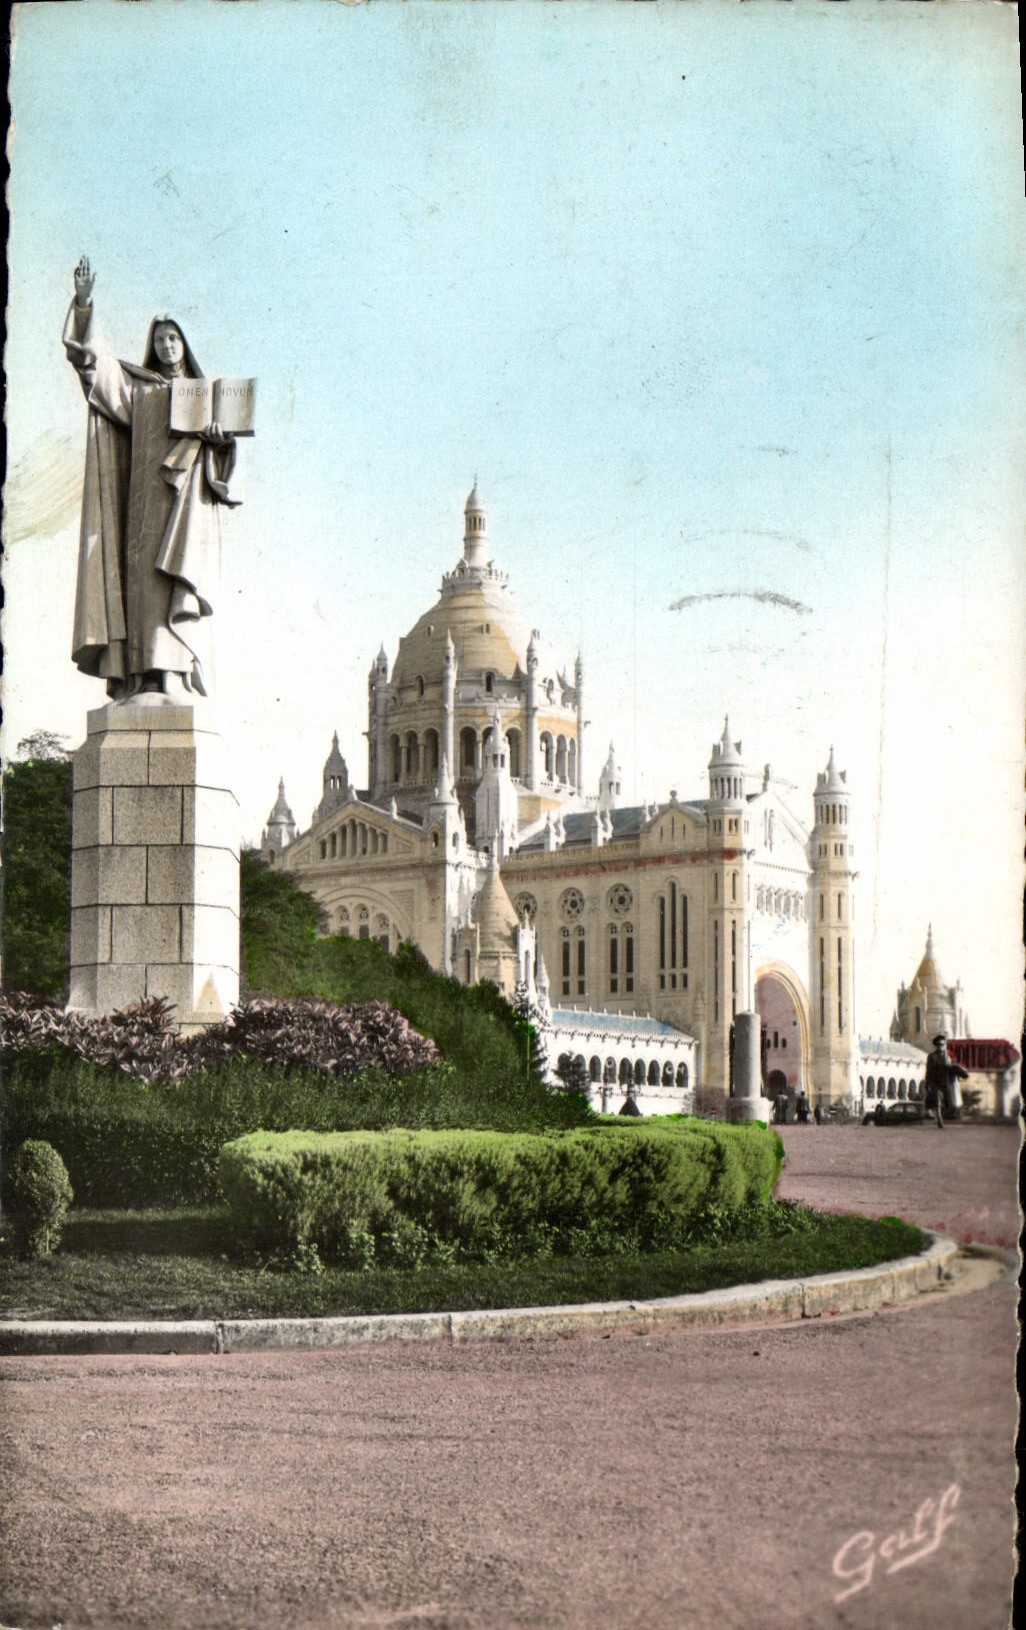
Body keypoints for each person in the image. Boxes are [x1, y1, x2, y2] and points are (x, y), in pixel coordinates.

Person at [63, 257, 239, 702]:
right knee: (143, 589)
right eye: (160, 338)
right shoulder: (138, 388)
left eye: (173, 337)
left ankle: (173, 676)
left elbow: (224, 464)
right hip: (144, 509)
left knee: (174, 586)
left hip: (187, 510)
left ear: (184, 343)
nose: (166, 345)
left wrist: (220, 443)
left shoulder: (205, 395)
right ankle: (142, 676)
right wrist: (84, 306)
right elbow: (93, 369)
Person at [923, 1034, 968, 1129]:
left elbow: (955, 1067)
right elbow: (929, 1070)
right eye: (939, 1044)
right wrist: (927, 1083)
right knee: (937, 1101)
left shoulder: (949, 1055)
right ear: (936, 1045)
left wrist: (961, 1072)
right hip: (936, 1082)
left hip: (948, 1082)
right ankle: (939, 1120)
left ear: (945, 1044)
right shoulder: (932, 1056)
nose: (941, 1046)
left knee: (949, 1102)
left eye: (942, 1044)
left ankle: (949, 1115)